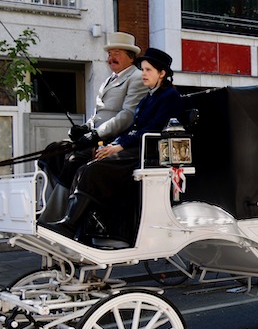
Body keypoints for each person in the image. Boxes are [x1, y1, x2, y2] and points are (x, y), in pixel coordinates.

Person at [48, 48, 183, 238]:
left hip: (149, 152)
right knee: (82, 167)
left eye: (148, 70)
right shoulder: (148, 99)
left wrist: (119, 146)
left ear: (162, 73)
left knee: (91, 170)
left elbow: (152, 129)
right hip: (136, 146)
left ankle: (70, 225)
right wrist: (111, 146)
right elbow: (133, 128)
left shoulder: (169, 97)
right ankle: (78, 225)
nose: (143, 74)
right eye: (142, 69)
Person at [41, 31, 146, 190]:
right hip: (95, 137)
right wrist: (85, 127)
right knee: (52, 153)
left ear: (131, 57)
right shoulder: (108, 80)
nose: (111, 58)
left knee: (74, 160)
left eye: (116, 54)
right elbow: (98, 115)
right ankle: (53, 199)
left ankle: (63, 209)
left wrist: (97, 133)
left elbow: (127, 116)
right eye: (109, 54)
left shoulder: (136, 78)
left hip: (113, 139)